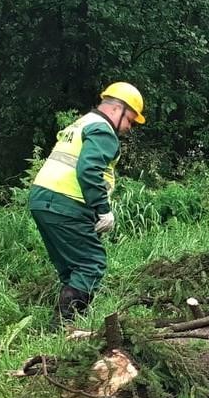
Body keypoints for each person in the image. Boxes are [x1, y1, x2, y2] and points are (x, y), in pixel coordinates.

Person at [29, 82, 145, 324]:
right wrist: (103, 210)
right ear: (117, 109)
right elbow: (89, 170)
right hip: (65, 203)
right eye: (130, 121)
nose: (128, 128)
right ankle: (64, 325)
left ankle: (67, 322)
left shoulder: (82, 123)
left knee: (72, 268)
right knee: (91, 265)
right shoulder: (103, 131)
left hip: (43, 199)